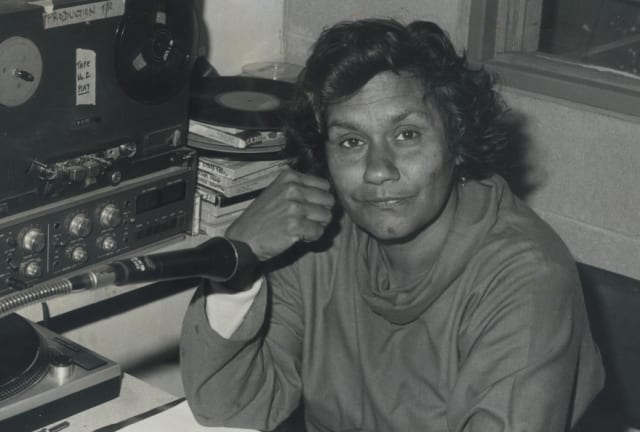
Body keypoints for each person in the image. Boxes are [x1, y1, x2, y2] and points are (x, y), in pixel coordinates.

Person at [180, 18, 605, 432]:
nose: (378, 170)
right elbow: (228, 406)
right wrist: (239, 254)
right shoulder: (318, 239)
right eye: (351, 142)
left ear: (457, 142)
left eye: (406, 135)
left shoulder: (526, 278)